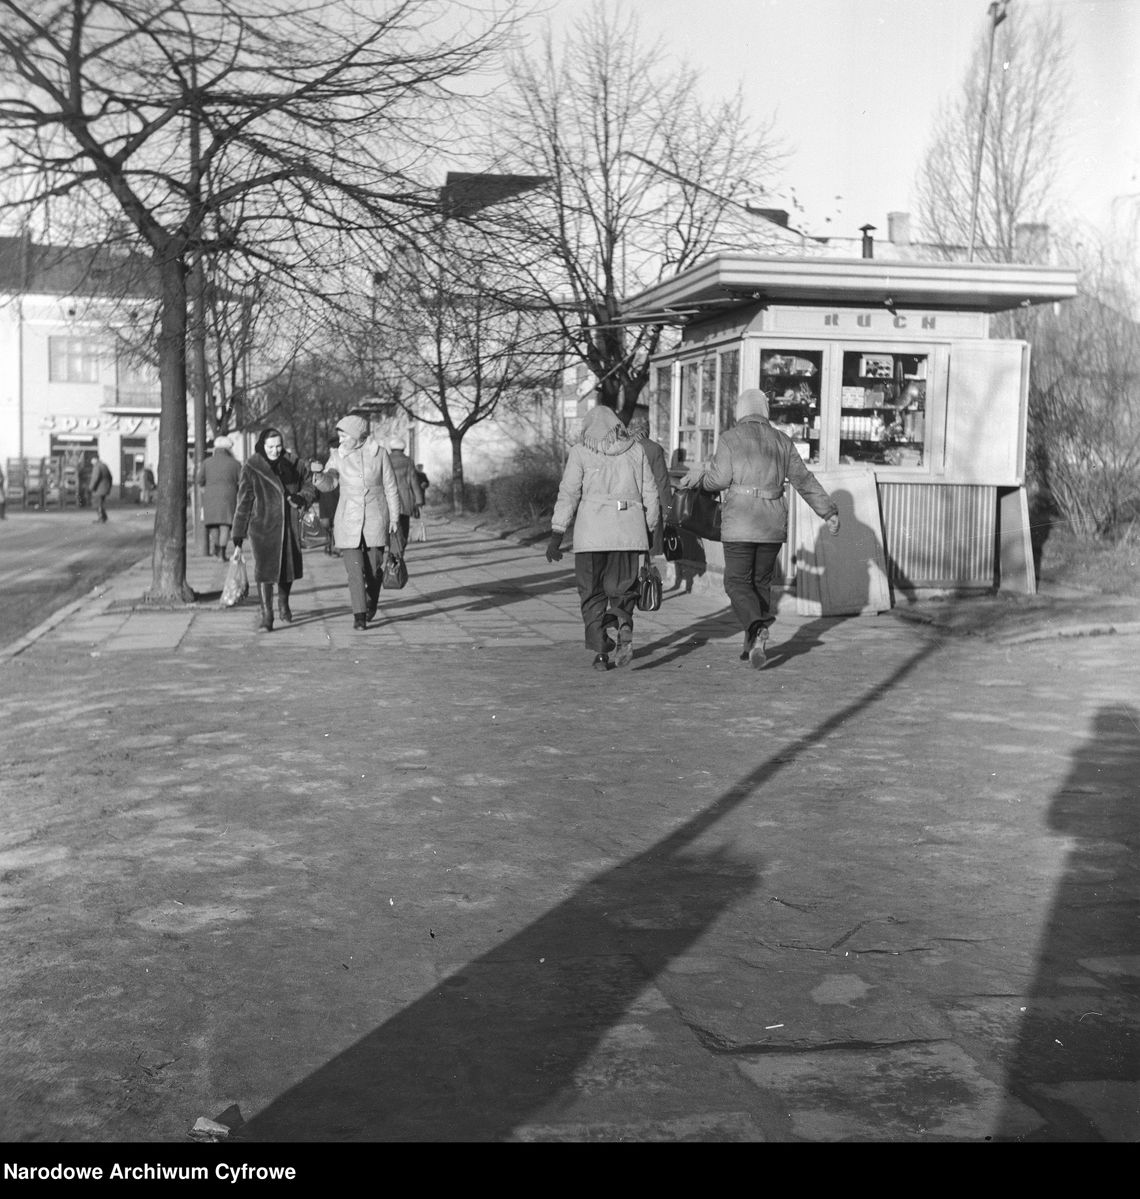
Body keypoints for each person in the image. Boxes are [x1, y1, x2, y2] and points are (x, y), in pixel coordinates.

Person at [678, 387, 840, 668]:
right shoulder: (782, 441)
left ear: (740, 411)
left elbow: (717, 480)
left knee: (736, 582)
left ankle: (758, 623)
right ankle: (754, 643)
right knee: (761, 584)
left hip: (740, 521)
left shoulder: (730, 438)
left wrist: (699, 481)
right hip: (771, 524)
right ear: (765, 411)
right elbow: (804, 480)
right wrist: (828, 512)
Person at [544, 405, 661, 672]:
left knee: (591, 593)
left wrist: (557, 533)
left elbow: (568, 493)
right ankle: (622, 621)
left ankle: (600, 652)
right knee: (624, 588)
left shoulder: (580, 452)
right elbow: (651, 493)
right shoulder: (636, 450)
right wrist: (650, 528)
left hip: (591, 535)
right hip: (629, 532)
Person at [310, 414, 401, 631]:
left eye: (344, 436)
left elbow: (391, 487)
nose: (340, 440)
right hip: (348, 518)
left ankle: (372, 599)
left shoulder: (379, 454)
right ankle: (359, 615)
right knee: (355, 571)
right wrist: (319, 477)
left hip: (375, 517)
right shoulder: (337, 455)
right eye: (339, 436)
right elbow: (331, 481)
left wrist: (395, 517)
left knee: (373, 568)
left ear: (357, 435)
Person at [230, 428, 316, 632]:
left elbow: (311, 485)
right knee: (264, 572)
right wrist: (238, 536)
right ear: (262, 445)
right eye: (270, 447)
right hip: (263, 528)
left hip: (290, 526)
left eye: (278, 446)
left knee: (288, 570)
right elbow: (244, 502)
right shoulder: (252, 466)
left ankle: (284, 603)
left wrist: (302, 497)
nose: (275, 450)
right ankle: (266, 615)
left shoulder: (294, 463)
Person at [625, 404, 672, 558]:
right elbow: (662, 482)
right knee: (646, 547)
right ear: (647, 429)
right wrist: (668, 510)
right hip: (649, 506)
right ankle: (643, 578)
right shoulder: (654, 449)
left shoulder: (621, 448)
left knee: (628, 549)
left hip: (625, 506)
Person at [196, 436, 242, 560]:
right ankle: (222, 554)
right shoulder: (235, 463)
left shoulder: (207, 462)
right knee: (225, 525)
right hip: (229, 497)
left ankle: (216, 550)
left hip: (210, 497)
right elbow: (242, 481)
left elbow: (199, 480)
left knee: (213, 525)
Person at [387, 439, 425, 547]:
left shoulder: (385, 459)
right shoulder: (408, 461)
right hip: (404, 499)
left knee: (391, 526)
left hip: (388, 499)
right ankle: (399, 551)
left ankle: (392, 549)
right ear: (403, 449)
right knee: (403, 527)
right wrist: (419, 500)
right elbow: (414, 482)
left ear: (391, 448)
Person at [88, 455, 112, 523]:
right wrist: (109, 486)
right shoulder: (104, 465)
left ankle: (101, 518)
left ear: (95, 459)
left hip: (98, 489)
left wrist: (91, 487)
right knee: (101, 503)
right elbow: (110, 477)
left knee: (97, 504)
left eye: (92, 460)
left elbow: (95, 478)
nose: (91, 462)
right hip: (105, 489)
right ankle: (104, 517)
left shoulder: (97, 466)